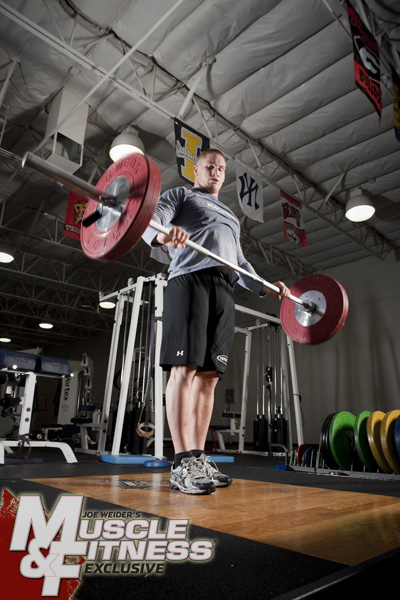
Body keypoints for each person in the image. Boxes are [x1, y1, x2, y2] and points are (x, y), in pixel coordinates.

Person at [143, 149, 290, 495]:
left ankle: (197, 455)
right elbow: (154, 220)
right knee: (185, 368)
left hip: (224, 288)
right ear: (196, 169)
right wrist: (166, 236)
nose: (216, 172)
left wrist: (267, 287)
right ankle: (180, 461)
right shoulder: (181, 195)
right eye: (210, 166)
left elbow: (239, 263)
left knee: (209, 377)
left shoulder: (231, 216)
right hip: (189, 280)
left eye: (221, 169)